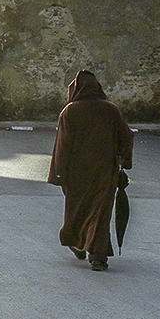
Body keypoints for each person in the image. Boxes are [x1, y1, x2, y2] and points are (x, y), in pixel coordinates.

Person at [48, 70, 134, 271]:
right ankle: (97, 256)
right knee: (100, 212)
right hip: (105, 170)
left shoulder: (70, 112)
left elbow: (63, 146)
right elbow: (127, 136)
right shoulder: (111, 110)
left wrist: (59, 174)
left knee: (77, 210)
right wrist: (125, 161)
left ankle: (80, 243)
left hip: (76, 173)